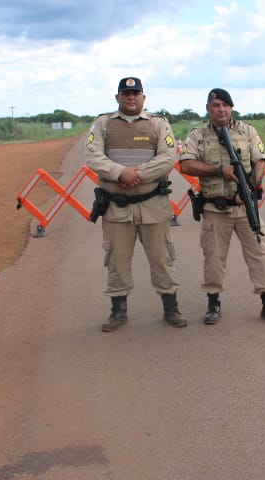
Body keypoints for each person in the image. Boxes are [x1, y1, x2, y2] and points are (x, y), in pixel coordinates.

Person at [85, 76, 187, 331]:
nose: (131, 97)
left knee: (162, 258)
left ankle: (171, 309)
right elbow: (92, 156)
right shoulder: (103, 124)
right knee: (117, 260)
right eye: (126, 93)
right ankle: (118, 312)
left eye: (136, 93)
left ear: (144, 97)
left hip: (153, 204)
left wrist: (136, 174)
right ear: (117, 97)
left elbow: (168, 156)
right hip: (116, 207)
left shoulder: (158, 124)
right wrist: (120, 172)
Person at [179, 88, 265, 326]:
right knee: (214, 258)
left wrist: (249, 187)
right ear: (208, 108)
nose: (221, 109)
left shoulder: (247, 131)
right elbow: (185, 165)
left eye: (225, 105)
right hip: (215, 207)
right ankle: (213, 303)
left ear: (231, 107)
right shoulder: (198, 135)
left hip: (245, 206)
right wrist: (218, 171)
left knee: (260, 252)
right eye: (216, 105)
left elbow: (260, 161)